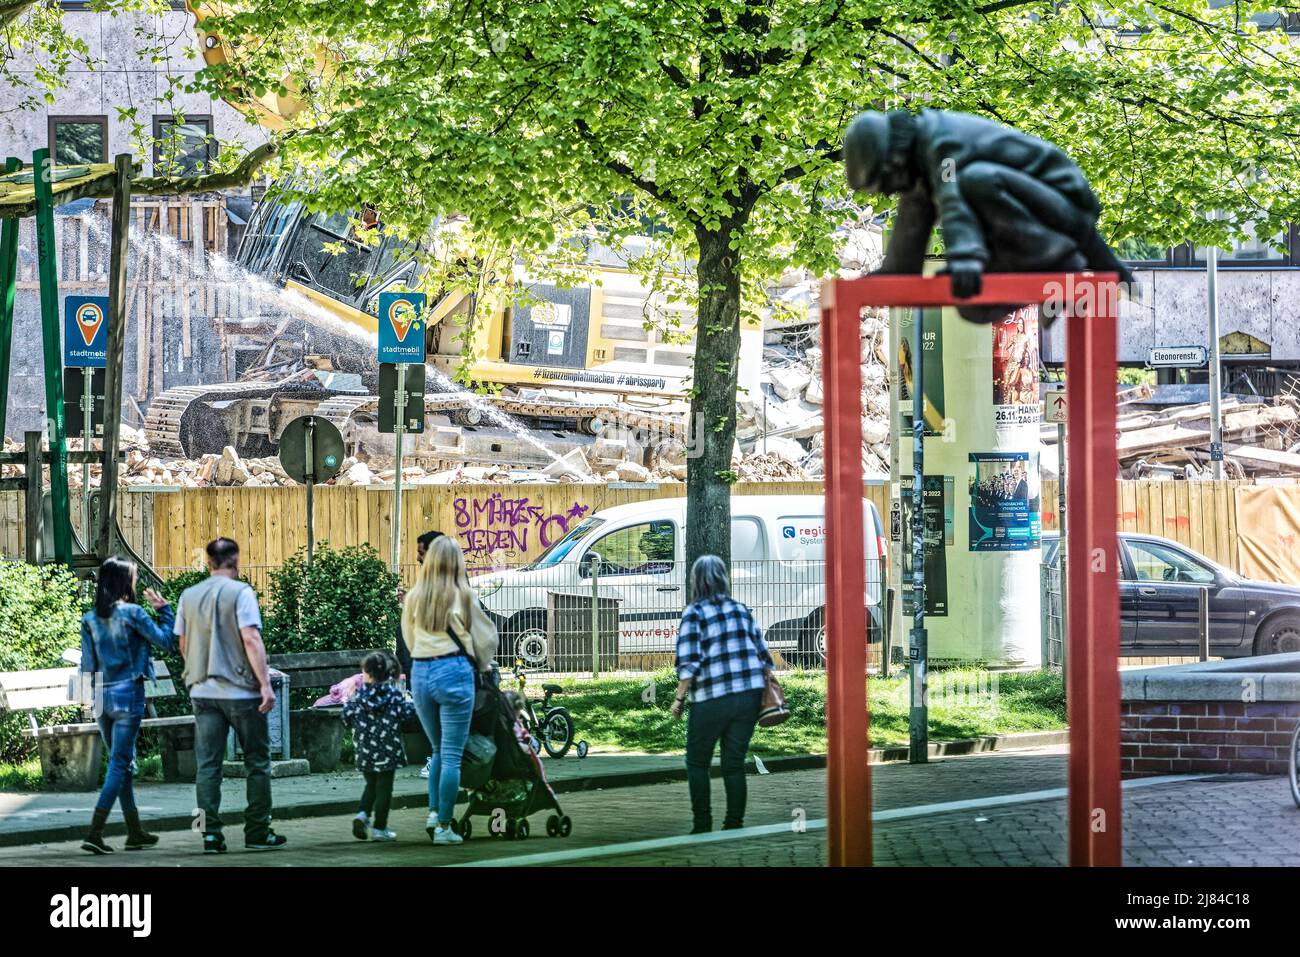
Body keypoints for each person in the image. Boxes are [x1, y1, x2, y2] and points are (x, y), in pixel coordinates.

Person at [176, 537, 286, 854]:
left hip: (201, 690)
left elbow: (183, 645)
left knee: (207, 766)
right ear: (235, 561)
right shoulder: (242, 593)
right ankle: (257, 832)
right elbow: (251, 638)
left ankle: (208, 834)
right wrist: (265, 684)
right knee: (257, 762)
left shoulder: (188, 595)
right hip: (240, 692)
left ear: (208, 563)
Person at [402, 535, 498, 845]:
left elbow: (409, 639)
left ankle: (433, 812)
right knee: (453, 755)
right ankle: (443, 825)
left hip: (421, 672)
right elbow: (485, 640)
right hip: (453, 672)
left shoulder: (415, 597)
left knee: (438, 750)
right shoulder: (463, 596)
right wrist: (482, 666)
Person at [77, 557, 176, 855]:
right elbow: (167, 642)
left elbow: (87, 665)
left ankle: (134, 832)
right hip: (127, 696)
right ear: (124, 582)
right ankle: (95, 831)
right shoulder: (133, 613)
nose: (134, 583)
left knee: (124, 766)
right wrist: (165, 611)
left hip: (100, 699)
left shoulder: (89, 618)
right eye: (132, 577)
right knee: (120, 764)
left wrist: (86, 701)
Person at [671, 555, 773, 834]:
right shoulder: (741, 609)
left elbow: (689, 663)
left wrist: (679, 699)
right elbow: (764, 657)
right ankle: (734, 824)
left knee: (697, 762)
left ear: (696, 581)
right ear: (724, 579)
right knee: (733, 763)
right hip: (749, 697)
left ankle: (702, 824)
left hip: (712, 698)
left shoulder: (695, 613)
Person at [342, 650, 417, 842]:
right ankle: (380, 828)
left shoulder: (358, 696)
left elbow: (346, 719)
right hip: (389, 749)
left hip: (365, 749)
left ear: (367, 673)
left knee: (371, 784)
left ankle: (362, 815)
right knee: (385, 788)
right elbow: (407, 715)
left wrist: (348, 702)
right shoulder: (394, 695)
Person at [398, 529, 444, 779]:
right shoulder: (441, 580)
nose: (417, 557)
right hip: (432, 666)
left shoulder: (440, 583)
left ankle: (436, 762)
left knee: (440, 727)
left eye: (421, 552)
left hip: (432, 666)